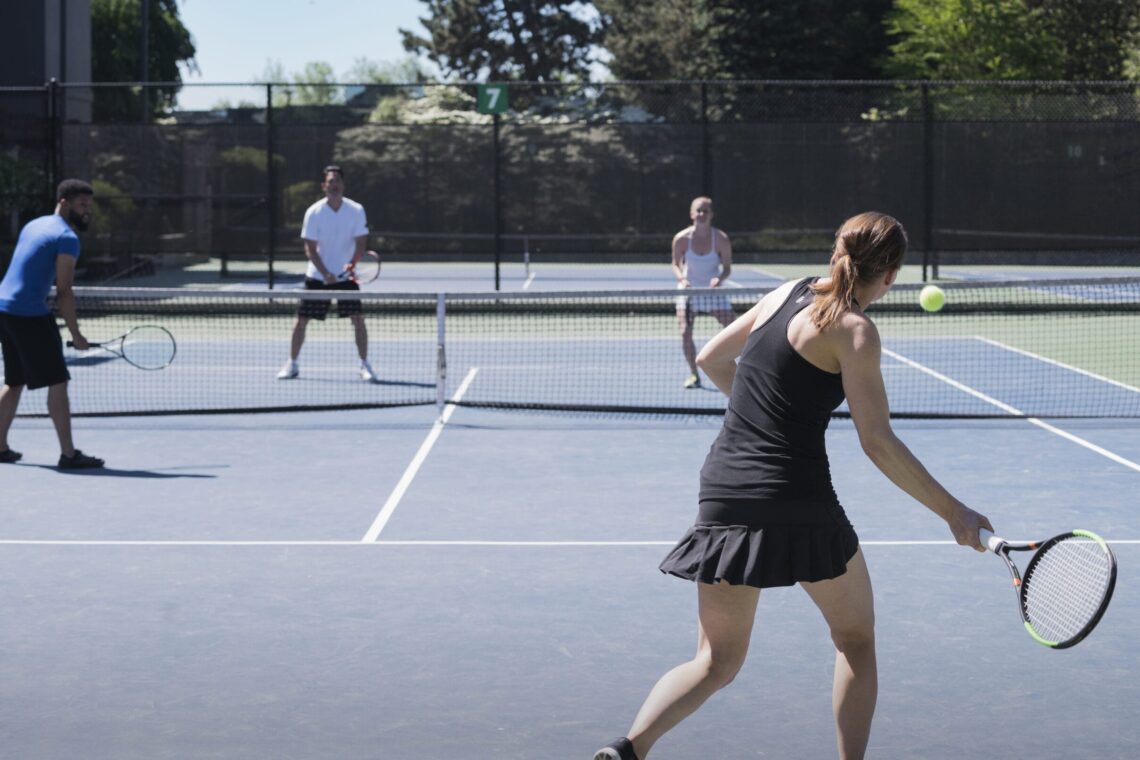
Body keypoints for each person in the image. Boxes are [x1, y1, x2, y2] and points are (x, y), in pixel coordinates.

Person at [594, 212, 992, 760]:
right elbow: (877, 442)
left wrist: (765, 415)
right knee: (855, 640)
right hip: (796, 497)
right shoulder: (855, 331)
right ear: (892, 275)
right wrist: (955, 512)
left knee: (715, 662)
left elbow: (712, 358)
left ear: (836, 251)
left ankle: (627, 749)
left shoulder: (786, 292)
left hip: (723, 488)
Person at [0, 179, 104, 469]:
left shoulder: (34, 224)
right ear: (64, 202)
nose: (87, 211)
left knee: (15, 381)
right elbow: (64, 291)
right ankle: (69, 454)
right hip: (28, 314)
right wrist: (76, 334)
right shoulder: (67, 238)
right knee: (58, 381)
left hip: (3, 309)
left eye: (89, 206)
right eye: (82, 205)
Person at [276, 164, 378, 382]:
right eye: (330, 182)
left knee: (358, 319)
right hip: (317, 276)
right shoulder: (314, 212)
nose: (334, 185)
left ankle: (364, 365)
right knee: (301, 320)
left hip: (346, 278)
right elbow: (310, 249)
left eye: (337, 181)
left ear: (343, 185)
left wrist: (351, 264)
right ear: (324, 185)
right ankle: (292, 364)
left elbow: (361, 242)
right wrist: (326, 273)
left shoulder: (356, 210)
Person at [671, 196, 735, 389]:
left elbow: (727, 268)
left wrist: (719, 279)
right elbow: (675, 264)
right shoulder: (681, 239)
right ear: (692, 214)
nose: (701, 214)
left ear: (711, 215)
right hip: (688, 292)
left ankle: (741, 372)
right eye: (698, 211)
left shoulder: (721, 239)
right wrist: (682, 279)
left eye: (705, 211)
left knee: (736, 330)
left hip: (713, 292)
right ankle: (693, 374)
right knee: (685, 332)